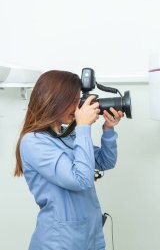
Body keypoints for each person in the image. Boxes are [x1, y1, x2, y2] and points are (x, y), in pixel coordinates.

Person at [14, 70, 124, 250]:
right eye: (73, 101)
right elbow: (80, 179)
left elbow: (106, 162)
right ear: (54, 101)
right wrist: (82, 127)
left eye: (78, 99)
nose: (78, 106)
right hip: (59, 242)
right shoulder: (33, 142)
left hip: (90, 235)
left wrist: (108, 129)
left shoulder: (67, 135)